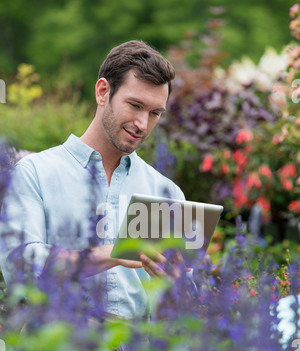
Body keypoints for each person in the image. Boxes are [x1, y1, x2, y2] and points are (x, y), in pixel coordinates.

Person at [0, 40, 187, 320]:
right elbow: (20, 266)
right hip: (56, 347)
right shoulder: (34, 173)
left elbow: (184, 303)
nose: (143, 124)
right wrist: (109, 253)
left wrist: (177, 282)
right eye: (134, 105)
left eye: (154, 113)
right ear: (103, 92)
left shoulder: (166, 192)